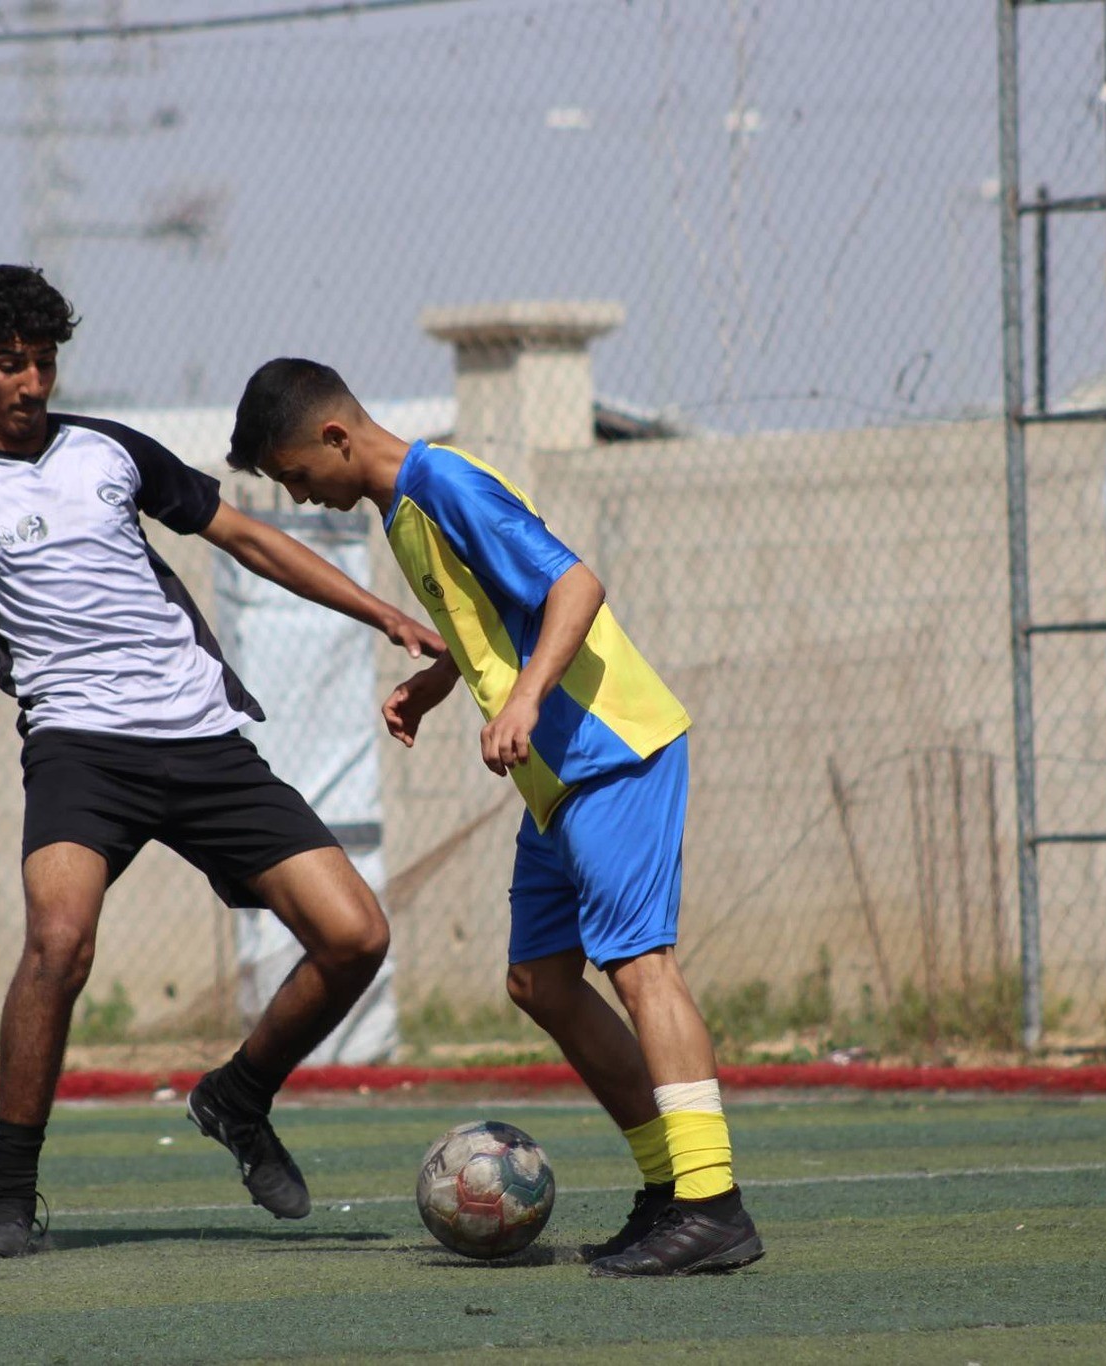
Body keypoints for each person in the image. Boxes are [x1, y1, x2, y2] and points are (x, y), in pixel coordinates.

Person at [0, 267, 444, 1258]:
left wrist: (383, 615)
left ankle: (238, 1097)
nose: (31, 383)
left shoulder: (109, 450)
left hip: (199, 735)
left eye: (44, 362)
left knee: (355, 936)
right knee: (58, 945)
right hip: (79, 749)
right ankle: (7, 1196)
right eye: (9, 363)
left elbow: (248, 537)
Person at [225, 358, 762, 1278]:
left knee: (641, 966)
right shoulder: (403, 509)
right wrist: (441, 682)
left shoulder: (446, 485)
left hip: (608, 749)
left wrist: (524, 701)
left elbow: (576, 587)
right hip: (555, 777)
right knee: (540, 982)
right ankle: (669, 1186)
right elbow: (504, 616)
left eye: (297, 474)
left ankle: (712, 1204)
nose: (301, 495)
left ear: (335, 437)